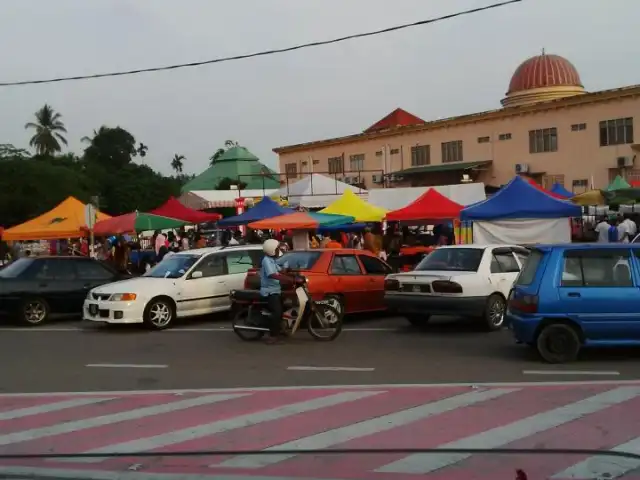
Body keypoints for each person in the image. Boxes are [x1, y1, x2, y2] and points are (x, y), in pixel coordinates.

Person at [260, 239, 294, 345]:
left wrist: (290, 271)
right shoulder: (266, 260)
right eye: (277, 248)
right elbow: (272, 274)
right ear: (271, 249)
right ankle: (272, 336)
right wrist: (286, 279)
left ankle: (280, 329)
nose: (278, 250)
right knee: (277, 312)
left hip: (276, 290)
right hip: (269, 291)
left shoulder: (272, 260)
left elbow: (280, 271)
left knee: (286, 307)